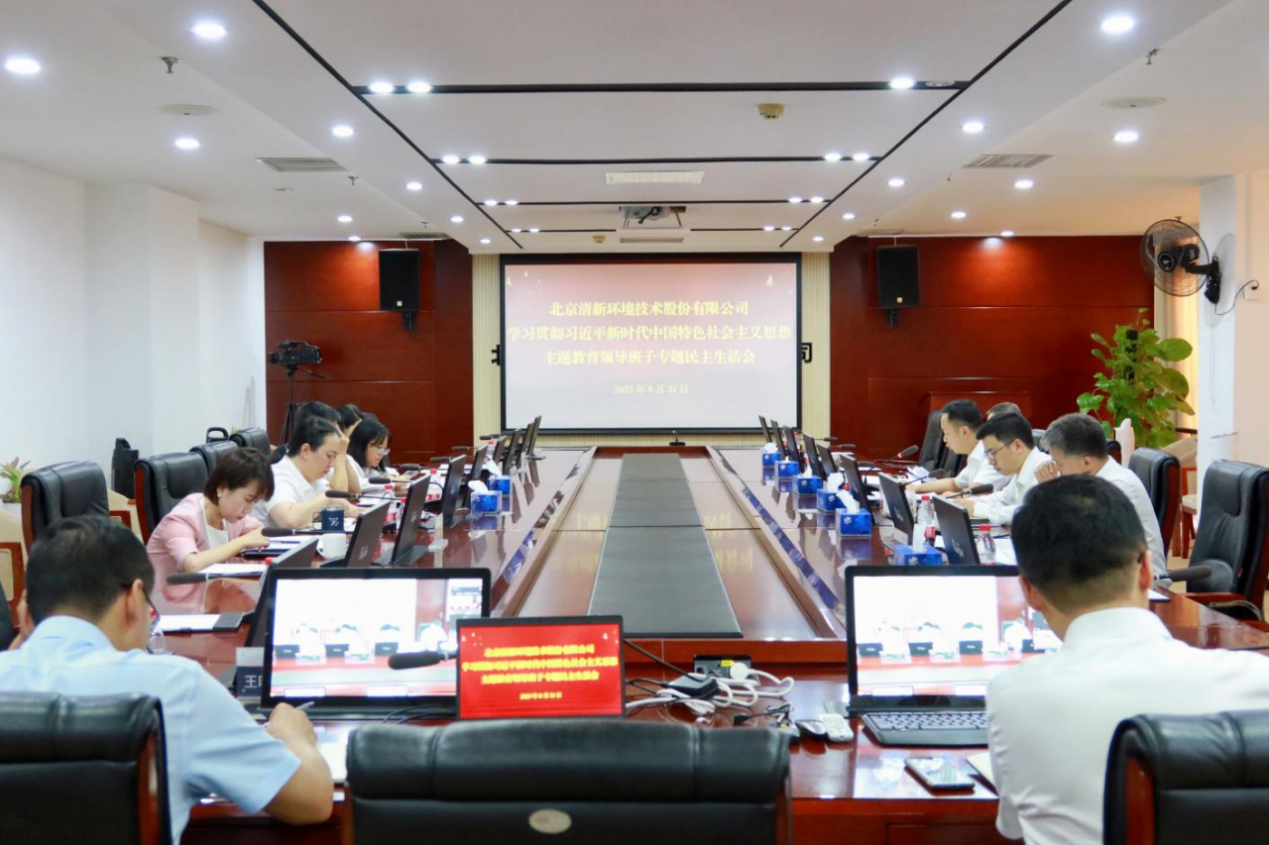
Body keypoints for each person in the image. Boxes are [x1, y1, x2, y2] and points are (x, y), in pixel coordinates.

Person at [0, 517, 333, 842]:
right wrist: (289, 734)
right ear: (133, 599)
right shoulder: (176, 687)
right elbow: (312, 801)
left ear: (27, 612)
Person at [986, 477, 1269, 845]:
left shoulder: (1012, 696)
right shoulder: (1256, 680)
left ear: (1030, 592)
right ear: (1147, 570)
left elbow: (1012, 826)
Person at [1036, 413, 1169, 580]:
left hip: (1140, 585)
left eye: (1059, 463)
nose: (1056, 470)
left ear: (1086, 462)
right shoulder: (1090, 481)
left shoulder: (1117, 487)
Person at [146, 448, 274, 613]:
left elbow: (258, 531)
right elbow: (192, 565)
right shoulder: (182, 519)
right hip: (167, 612)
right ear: (222, 488)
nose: (249, 509)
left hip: (209, 605)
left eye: (256, 501)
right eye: (248, 499)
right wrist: (241, 542)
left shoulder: (230, 516)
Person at [255, 416, 360, 529]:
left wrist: (350, 510)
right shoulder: (277, 475)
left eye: (335, 457)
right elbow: (289, 520)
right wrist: (327, 499)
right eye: (329, 456)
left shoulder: (313, 477)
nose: (332, 464)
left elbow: (333, 502)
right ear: (306, 450)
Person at [909, 400, 1008, 495]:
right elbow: (954, 484)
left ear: (964, 432)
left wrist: (950, 497)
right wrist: (916, 488)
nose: (944, 439)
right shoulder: (975, 454)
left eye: (946, 433)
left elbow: (977, 493)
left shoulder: (991, 456)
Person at [963, 412, 1046, 525]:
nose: (990, 461)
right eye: (987, 455)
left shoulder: (1044, 469)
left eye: (993, 453)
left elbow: (1028, 512)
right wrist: (964, 503)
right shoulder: (1021, 469)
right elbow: (1002, 499)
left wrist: (977, 509)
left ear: (1017, 446)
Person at [346, 417, 392, 487]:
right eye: (379, 447)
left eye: (384, 449)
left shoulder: (367, 468)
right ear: (362, 444)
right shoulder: (348, 461)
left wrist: (391, 477)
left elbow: (381, 474)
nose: (381, 454)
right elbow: (360, 485)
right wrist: (392, 483)